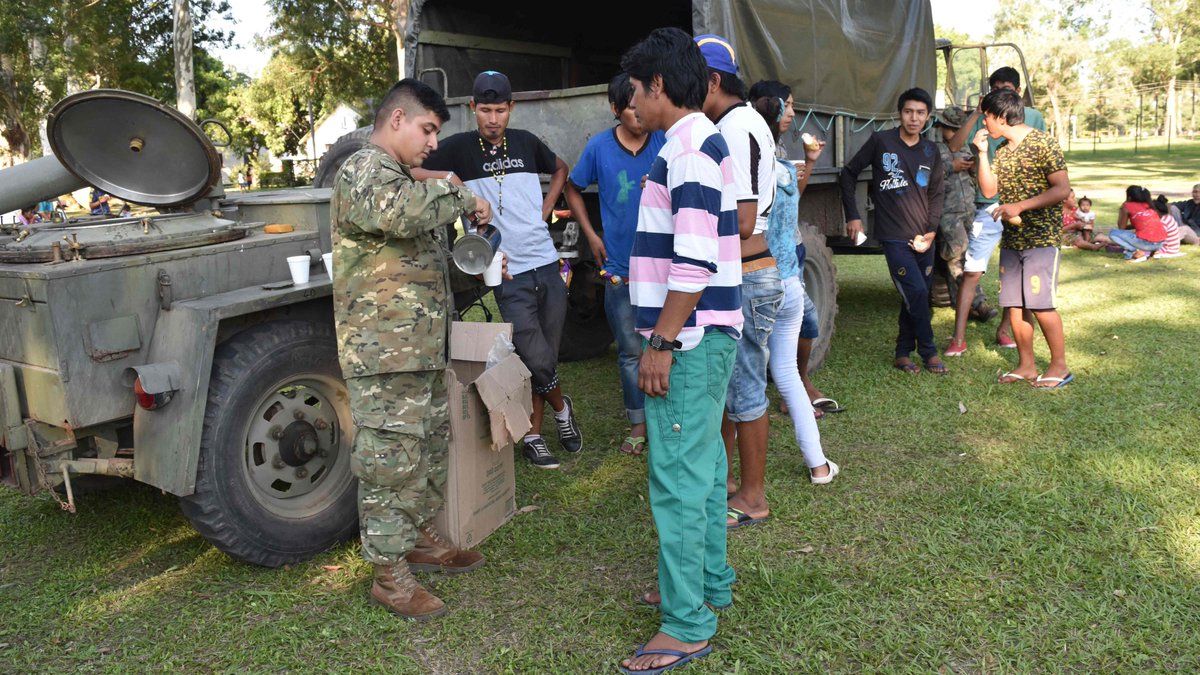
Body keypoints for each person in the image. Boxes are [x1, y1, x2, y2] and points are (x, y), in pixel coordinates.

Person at [330, 78, 493, 621]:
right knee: (388, 461)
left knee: (426, 448)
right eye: (427, 129)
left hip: (418, 347)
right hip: (382, 354)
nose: (431, 143)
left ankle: (421, 539)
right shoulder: (363, 171)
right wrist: (459, 190)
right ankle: (389, 577)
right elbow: (401, 212)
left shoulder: (401, 177)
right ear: (396, 119)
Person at [617, 26, 741, 675]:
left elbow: (691, 263)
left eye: (636, 88)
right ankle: (707, 581)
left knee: (678, 479)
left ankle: (687, 620)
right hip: (706, 336)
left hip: (689, 339)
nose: (632, 101)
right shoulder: (692, 143)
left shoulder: (689, 149)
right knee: (705, 465)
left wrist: (661, 341)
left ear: (659, 85)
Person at [417, 70, 582, 470]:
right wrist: (450, 177)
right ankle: (562, 411)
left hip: (546, 261)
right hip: (505, 269)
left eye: (500, 110)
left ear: (512, 108)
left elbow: (560, 169)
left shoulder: (526, 143)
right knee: (532, 351)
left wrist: (546, 210)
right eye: (485, 110)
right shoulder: (457, 148)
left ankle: (535, 436)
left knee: (545, 355)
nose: (493, 119)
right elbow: (412, 169)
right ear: (472, 108)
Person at [690, 34, 783, 530]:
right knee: (730, 387)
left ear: (713, 81)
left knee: (746, 390)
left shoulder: (738, 127)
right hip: (743, 273)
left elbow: (744, 220)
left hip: (748, 274)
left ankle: (752, 497)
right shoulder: (733, 123)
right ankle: (729, 482)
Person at [564, 73, 665, 457]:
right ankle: (638, 424)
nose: (640, 115)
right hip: (619, 267)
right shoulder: (598, 147)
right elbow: (573, 186)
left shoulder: (663, 139)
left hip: (662, 265)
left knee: (666, 344)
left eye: (643, 106)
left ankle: (665, 419)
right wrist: (591, 235)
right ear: (614, 110)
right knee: (628, 350)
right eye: (631, 108)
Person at [749, 79, 838, 484]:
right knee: (786, 375)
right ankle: (818, 464)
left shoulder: (753, 163)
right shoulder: (783, 167)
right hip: (790, 286)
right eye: (786, 106)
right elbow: (792, 199)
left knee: (747, 386)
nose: (791, 112)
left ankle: (739, 482)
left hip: (758, 283)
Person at [839, 87, 947, 375]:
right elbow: (848, 173)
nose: (914, 118)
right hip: (894, 236)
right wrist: (854, 216)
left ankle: (902, 352)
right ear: (900, 113)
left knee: (917, 294)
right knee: (915, 291)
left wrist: (931, 232)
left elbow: (936, 194)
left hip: (925, 237)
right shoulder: (881, 141)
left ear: (927, 117)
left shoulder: (930, 150)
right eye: (909, 112)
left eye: (920, 113)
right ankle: (929, 351)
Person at [973, 87, 1073, 388]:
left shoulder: (1043, 143)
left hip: (1042, 239)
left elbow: (1062, 189)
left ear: (1001, 117)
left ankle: (1059, 367)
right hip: (1014, 240)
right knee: (1014, 305)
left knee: (1041, 304)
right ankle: (1027, 365)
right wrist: (980, 154)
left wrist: (1020, 205)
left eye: (986, 118)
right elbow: (989, 191)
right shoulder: (1002, 151)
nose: (984, 124)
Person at [947, 66, 1047, 350]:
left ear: (1017, 91)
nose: (1001, 93)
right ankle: (958, 339)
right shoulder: (984, 118)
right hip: (988, 206)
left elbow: (1045, 163)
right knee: (972, 271)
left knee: (1019, 272)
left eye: (1007, 88)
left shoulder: (1035, 118)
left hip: (1023, 207)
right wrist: (978, 113)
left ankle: (1005, 330)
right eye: (996, 89)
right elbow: (954, 146)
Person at [934, 106, 996, 359]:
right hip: (948, 214)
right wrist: (952, 167)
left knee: (966, 259)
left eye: (952, 127)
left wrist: (970, 164)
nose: (947, 131)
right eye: (947, 127)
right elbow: (930, 176)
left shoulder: (967, 148)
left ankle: (966, 302)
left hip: (968, 211)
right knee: (956, 256)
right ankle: (978, 303)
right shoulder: (935, 149)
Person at [1108, 185, 1165, 262]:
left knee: (1113, 233)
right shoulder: (1149, 205)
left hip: (1147, 244)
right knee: (1140, 233)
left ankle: (1136, 252)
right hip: (1160, 243)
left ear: (1129, 197)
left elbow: (1121, 227)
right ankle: (1154, 253)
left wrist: (1121, 209)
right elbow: (1146, 224)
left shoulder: (1127, 206)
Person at [1150, 194, 1185, 258]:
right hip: (1171, 248)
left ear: (1157, 211)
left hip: (1168, 249)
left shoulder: (1163, 222)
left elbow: (1158, 238)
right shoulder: (1167, 217)